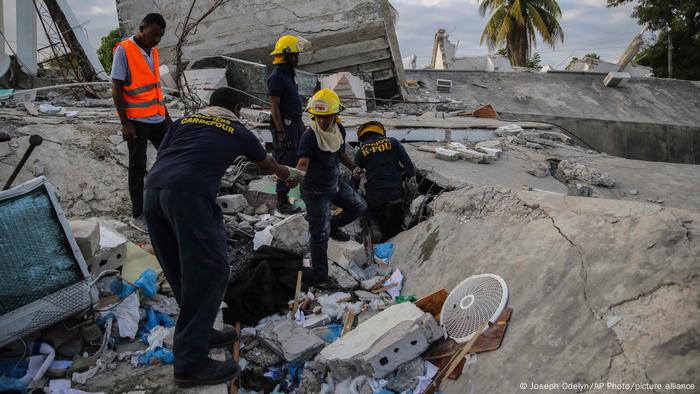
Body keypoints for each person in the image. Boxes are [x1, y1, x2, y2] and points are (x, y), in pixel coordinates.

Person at [143, 87, 303, 387]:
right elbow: (266, 164)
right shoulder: (236, 128)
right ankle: (190, 364)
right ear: (237, 108)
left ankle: (199, 334)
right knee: (211, 270)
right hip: (190, 194)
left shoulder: (183, 122)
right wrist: (289, 174)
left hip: (152, 191)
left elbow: (166, 154)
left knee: (179, 267)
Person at [294, 88, 366, 284]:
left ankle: (334, 226)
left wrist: (354, 167)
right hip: (315, 192)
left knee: (359, 206)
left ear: (335, 116)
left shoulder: (339, 130)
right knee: (319, 237)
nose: (322, 122)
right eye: (318, 117)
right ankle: (320, 279)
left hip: (334, 184)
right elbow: (303, 163)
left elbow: (340, 153)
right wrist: (296, 176)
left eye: (326, 117)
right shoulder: (310, 136)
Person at [111, 13, 172, 233]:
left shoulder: (153, 51)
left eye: (160, 36)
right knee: (138, 166)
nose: (156, 40)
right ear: (142, 27)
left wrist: (166, 117)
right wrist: (125, 123)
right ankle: (138, 214)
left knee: (172, 154)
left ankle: (165, 199)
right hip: (136, 120)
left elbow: (154, 86)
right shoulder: (124, 50)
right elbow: (116, 89)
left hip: (158, 115)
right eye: (153, 34)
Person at [267, 35, 310, 215]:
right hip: (285, 126)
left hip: (295, 125)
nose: (297, 58)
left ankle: (305, 194)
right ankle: (282, 201)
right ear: (286, 55)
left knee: (300, 157)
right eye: (295, 55)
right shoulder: (276, 77)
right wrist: (281, 131)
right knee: (284, 161)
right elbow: (274, 106)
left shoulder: (289, 74)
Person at [354, 121, 418, 241]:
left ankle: (374, 226)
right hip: (395, 193)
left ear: (363, 137)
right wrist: (412, 189)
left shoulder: (361, 151)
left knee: (366, 206)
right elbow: (409, 166)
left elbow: (355, 178)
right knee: (395, 220)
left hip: (375, 197)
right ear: (382, 133)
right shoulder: (393, 142)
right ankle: (402, 221)